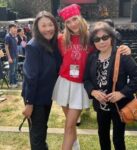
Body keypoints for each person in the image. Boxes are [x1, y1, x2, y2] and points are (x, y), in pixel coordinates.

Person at [52, 4, 132, 150]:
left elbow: (109, 46)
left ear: (80, 18)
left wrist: (125, 48)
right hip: (64, 82)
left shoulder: (91, 38)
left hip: (80, 84)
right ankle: (75, 147)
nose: (72, 24)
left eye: (74, 19)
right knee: (69, 124)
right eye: (68, 22)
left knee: (69, 125)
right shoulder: (61, 39)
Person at [84, 22, 137, 150]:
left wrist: (121, 93)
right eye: (97, 39)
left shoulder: (122, 55)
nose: (101, 42)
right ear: (93, 42)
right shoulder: (92, 58)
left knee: (118, 139)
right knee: (102, 136)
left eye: (105, 37)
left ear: (111, 37)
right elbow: (86, 79)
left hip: (119, 106)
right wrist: (93, 92)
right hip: (101, 106)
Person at [21, 11, 61, 150]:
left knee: (42, 128)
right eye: (43, 25)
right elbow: (31, 77)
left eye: (50, 25)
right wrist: (29, 103)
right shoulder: (33, 46)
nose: (48, 28)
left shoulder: (52, 44)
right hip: (34, 98)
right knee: (37, 134)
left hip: (46, 96)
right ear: (37, 28)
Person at [5, 23, 18, 88]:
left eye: (16, 28)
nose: (15, 29)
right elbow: (6, 47)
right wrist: (9, 57)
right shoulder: (8, 36)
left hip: (15, 55)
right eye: (14, 28)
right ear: (10, 28)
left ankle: (15, 82)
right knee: (12, 71)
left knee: (15, 70)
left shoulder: (14, 36)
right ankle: (11, 83)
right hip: (11, 56)